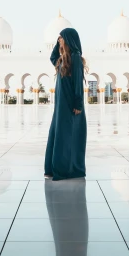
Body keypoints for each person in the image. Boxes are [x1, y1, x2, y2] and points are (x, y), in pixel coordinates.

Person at [44, 28, 87, 181]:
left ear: (69, 40)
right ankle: (52, 168)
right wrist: (57, 44)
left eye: (62, 38)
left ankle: (66, 169)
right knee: (57, 134)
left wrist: (78, 103)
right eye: (59, 38)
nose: (59, 40)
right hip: (60, 106)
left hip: (70, 105)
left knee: (67, 136)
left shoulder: (75, 58)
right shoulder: (63, 59)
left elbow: (78, 83)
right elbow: (52, 57)